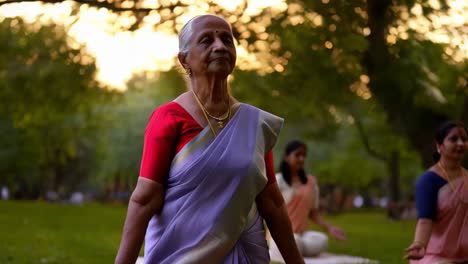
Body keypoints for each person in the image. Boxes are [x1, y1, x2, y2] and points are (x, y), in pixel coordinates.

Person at [115, 15, 304, 264]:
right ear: (185, 60)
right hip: (179, 255)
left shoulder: (254, 124)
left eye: (227, 40)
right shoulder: (169, 118)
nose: (220, 46)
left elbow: (272, 201)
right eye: (207, 40)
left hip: (244, 255)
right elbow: (145, 198)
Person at [269, 140, 346, 260]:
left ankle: (296, 251)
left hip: (303, 235)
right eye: (297, 154)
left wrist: (330, 228)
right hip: (282, 236)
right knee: (294, 241)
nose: (301, 159)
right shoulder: (278, 181)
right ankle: (292, 250)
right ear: (286, 157)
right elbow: (269, 213)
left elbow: (313, 213)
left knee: (321, 239)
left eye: (304, 155)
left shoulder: (311, 182)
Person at [405, 121, 468, 263]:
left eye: (464, 139)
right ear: (439, 146)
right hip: (437, 256)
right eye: (453, 139)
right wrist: (420, 244)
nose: (460, 143)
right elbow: (425, 220)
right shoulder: (428, 180)